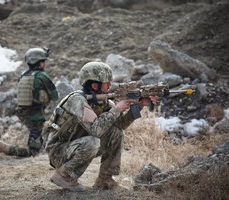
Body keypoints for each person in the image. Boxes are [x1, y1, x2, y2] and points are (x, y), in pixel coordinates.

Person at [43, 61, 157, 191]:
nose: (110, 85)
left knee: (116, 133)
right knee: (92, 141)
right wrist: (116, 110)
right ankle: (64, 175)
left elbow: (120, 125)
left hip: (74, 144)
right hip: (58, 151)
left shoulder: (101, 101)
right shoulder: (77, 100)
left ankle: (105, 180)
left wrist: (139, 105)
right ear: (94, 84)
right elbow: (96, 130)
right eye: (106, 82)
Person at [0, 47, 59, 160]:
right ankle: (2, 147)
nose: (45, 63)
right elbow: (55, 96)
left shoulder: (24, 75)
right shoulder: (41, 76)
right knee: (33, 151)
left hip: (24, 114)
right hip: (35, 116)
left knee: (42, 133)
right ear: (39, 63)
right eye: (43, 61)